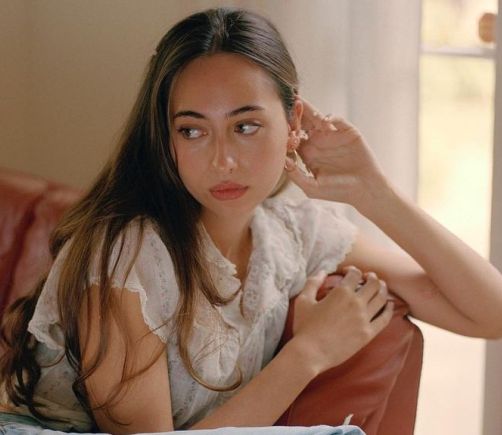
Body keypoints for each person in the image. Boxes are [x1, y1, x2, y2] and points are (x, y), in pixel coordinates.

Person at [1, 6, 502, 435]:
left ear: (293, 122)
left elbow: (490, 313)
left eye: (246, 126)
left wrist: (373, 192)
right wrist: (309, 353)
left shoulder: (291, 232)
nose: (223, 160)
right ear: (167, 139)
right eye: (193, 131)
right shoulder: (129, 254)